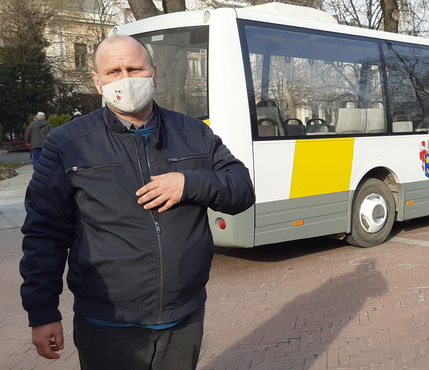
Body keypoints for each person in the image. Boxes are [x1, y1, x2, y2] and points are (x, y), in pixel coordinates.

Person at [19, 35, 255, 370]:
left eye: (134, 68)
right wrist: (41, 311)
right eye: (113, 71)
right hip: (108, 323)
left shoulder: (194, 133)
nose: (125, 78)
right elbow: (44, 233)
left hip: (183, 318)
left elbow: (242, 189)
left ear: (154, 74)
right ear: (97, 81)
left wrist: (190, 183)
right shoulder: (68, 143)